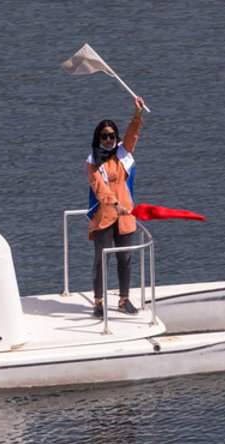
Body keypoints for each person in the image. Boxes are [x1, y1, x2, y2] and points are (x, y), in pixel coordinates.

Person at [86, 96, 146, 317]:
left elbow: (133, 135)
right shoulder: (92, 161)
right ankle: (98, 302)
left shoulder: (124, 153)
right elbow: (99, 188)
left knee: (126, 259)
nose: (109, 139)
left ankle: (124, 299)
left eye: (112, 135)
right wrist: (114, 204)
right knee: (102, 259)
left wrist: (137, 113)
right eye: (104, 136)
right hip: (105, 215)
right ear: (98, 138)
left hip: (126, 215)